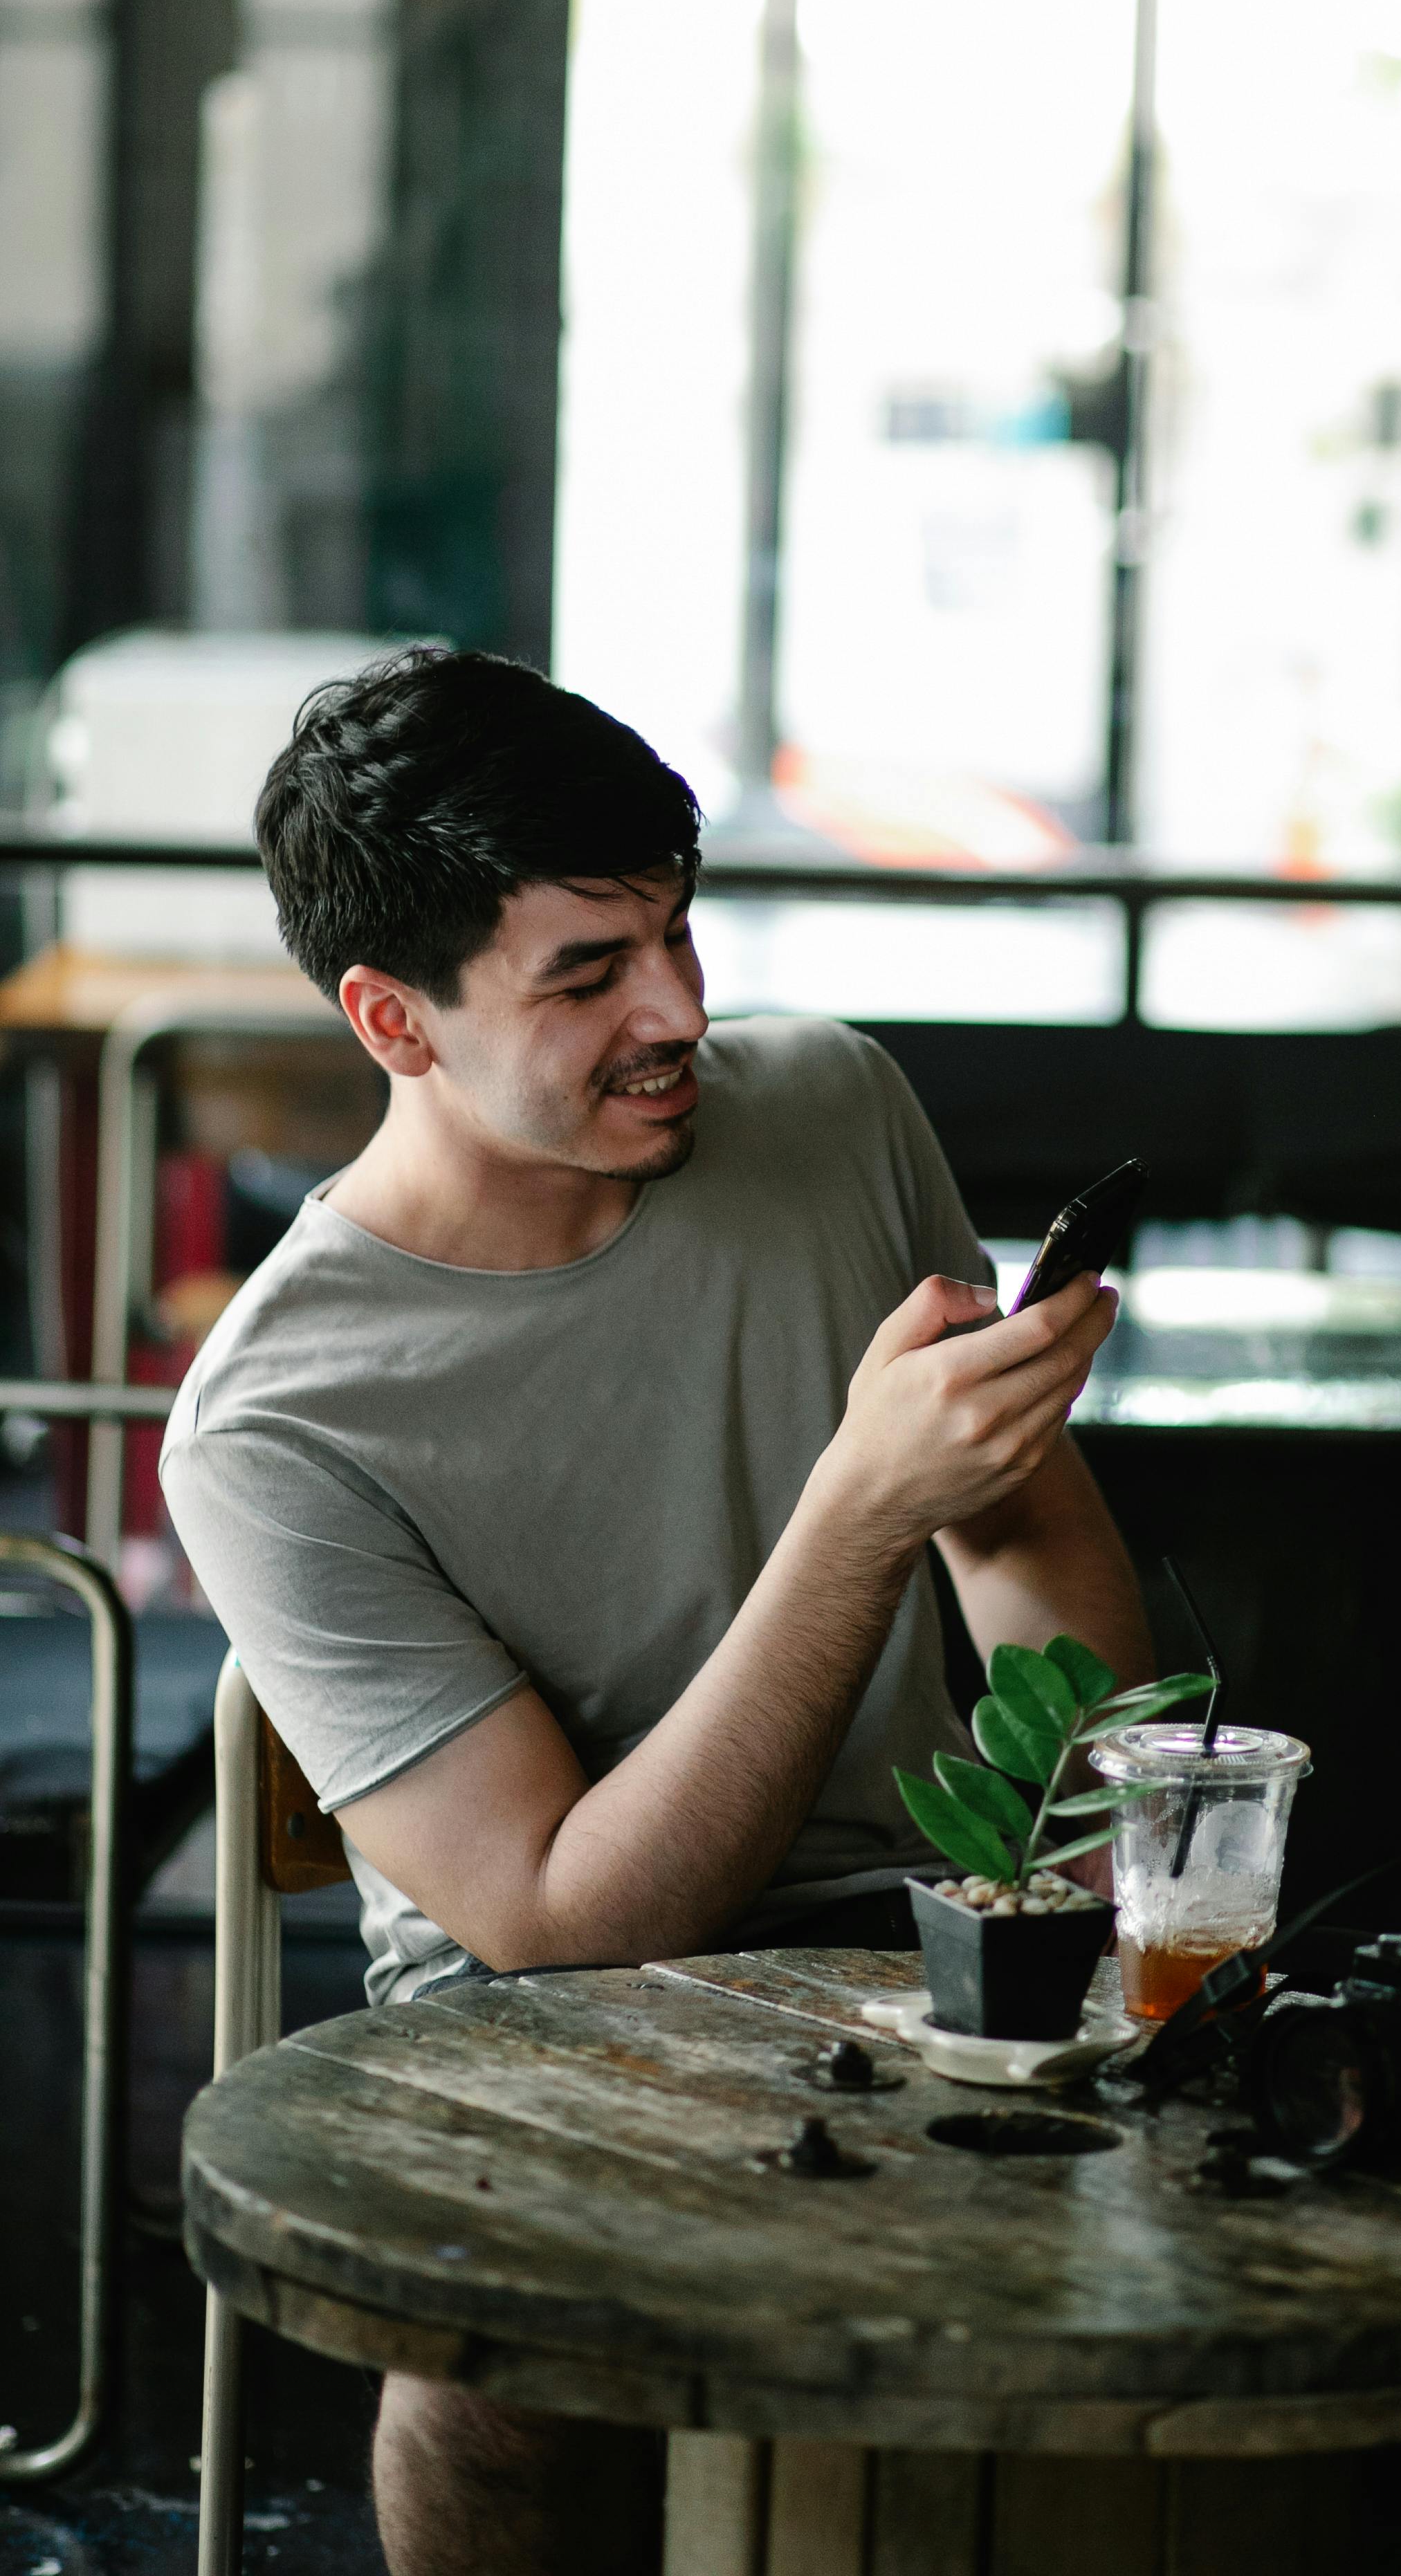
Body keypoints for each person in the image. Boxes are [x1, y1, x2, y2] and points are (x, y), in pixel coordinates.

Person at [161, 646, 1152, 2576]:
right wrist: (858, 1517)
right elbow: (558, 1924)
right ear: (395, 1020)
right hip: (552, 2032)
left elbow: (1046, 1605)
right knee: (482, 2376)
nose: (680, 1012)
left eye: (681, 936)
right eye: (589, 973)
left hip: (947, 1938)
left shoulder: (834, 1105)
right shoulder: (277, 1422)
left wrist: (1135, 1911)